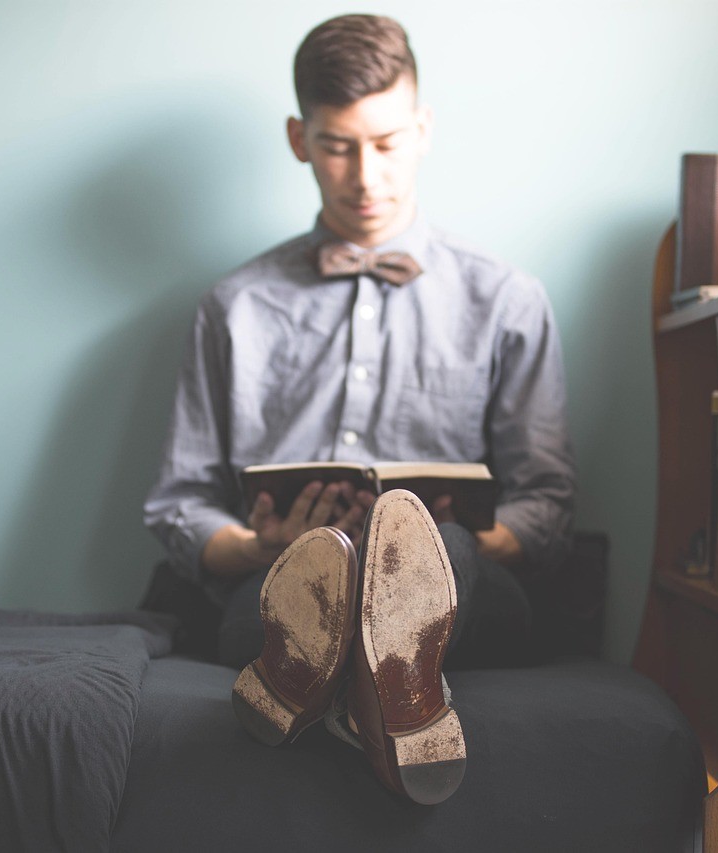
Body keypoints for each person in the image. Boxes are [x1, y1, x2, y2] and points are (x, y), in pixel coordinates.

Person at [143, 14, 575, 803]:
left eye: (385, 143)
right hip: (283, 575)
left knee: (433, 548)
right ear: (299, 139)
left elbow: (546, 503)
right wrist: (253, 545)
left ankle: (324, 684)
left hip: (464, 581)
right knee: (290, 592)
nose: (366, 177)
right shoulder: (231, 308)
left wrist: (466, 537)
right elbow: (180, 505)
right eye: (338, 146)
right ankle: (394, 705)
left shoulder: (508, 300)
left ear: (423, 128)